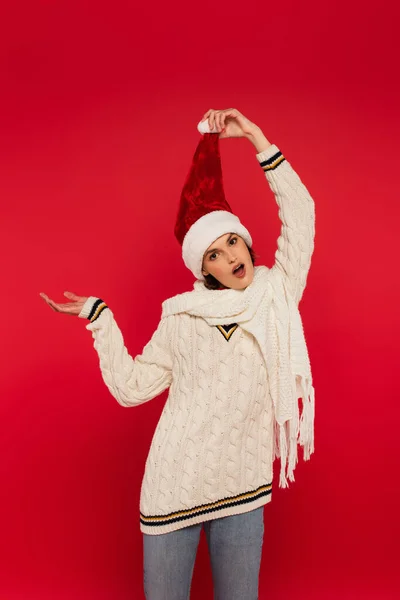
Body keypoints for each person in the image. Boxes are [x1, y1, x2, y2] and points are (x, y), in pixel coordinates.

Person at [40, 107, 316, 600]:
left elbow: (302, 214)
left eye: (233, 242)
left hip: (243, 487)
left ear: (246, 242)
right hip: (174, 486)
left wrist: (255, 137)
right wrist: (101, 320)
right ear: (203, 267)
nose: (230, 256)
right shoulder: (181, 317)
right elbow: (132, 388)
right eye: (214, 253)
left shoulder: (276, 294)